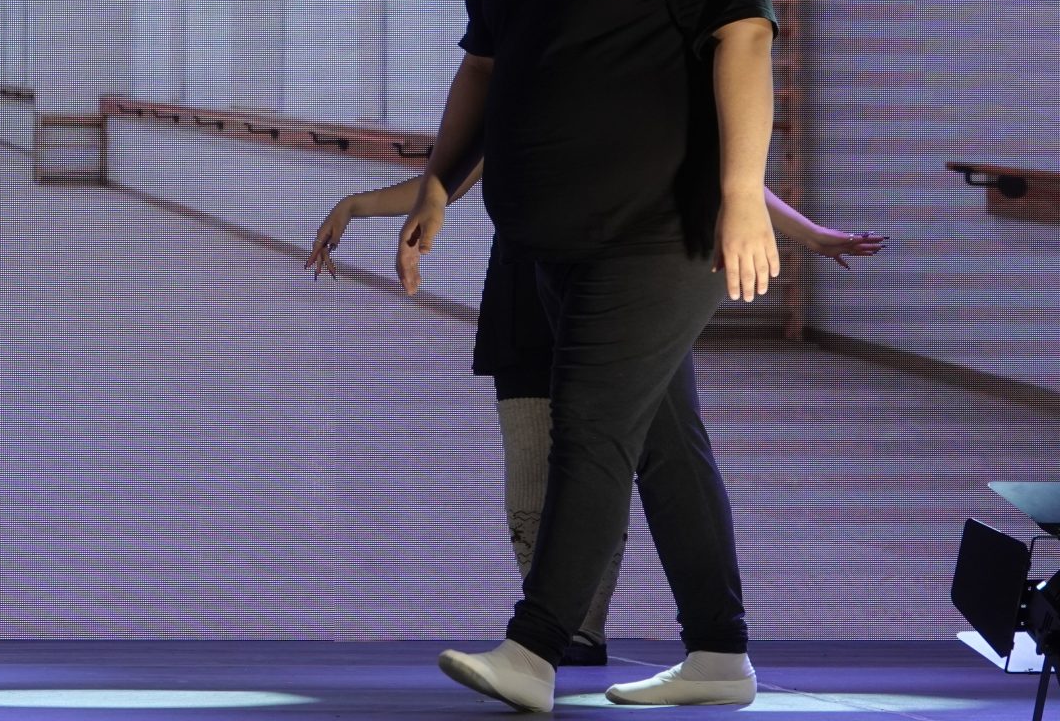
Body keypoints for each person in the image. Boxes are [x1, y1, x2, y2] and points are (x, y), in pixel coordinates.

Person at [399, 0, 782, 712]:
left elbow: (744, 38)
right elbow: (484, 68)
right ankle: (720, 655)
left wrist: (742, 195)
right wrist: (439, 181)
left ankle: (533, 649)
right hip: (549, 240)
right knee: (663, 441)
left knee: (593, 427)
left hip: (655, 233)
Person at [307, 170, 887, 664]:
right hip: (523, 293)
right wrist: (356, 205)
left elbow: (721, 168)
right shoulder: (520, 94)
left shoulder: (639, 101)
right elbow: (450, 174)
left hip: (616, 289)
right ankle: (564, 631)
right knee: (532, 470)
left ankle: (592, 631)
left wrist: (809, 234)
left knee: (620, 461)